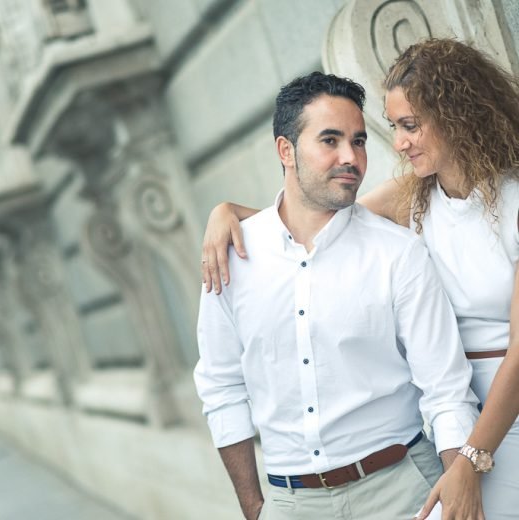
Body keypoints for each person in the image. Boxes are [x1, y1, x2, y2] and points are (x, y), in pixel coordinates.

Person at [201, 39, 519, 519]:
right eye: (394, 128)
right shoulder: (416, 195)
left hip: (500, 406)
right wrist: (228, 214)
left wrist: (468, 460)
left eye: (410, 125)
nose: (399, 143)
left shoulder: (504, 207)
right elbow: (320, 220)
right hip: (459, 418)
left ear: (457, 116)